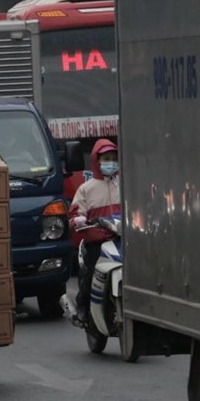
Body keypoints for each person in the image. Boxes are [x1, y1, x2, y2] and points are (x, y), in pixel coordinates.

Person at [68, 138, 121, 327]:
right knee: (91, 275)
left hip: (121, 240)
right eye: (106, 158)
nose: (111, 162)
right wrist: (78, 220)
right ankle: (83, 308)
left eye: (114, 158)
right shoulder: (86, 189)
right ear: (96, 161)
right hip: (96, 243)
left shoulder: (123, 185)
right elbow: (75, 214)